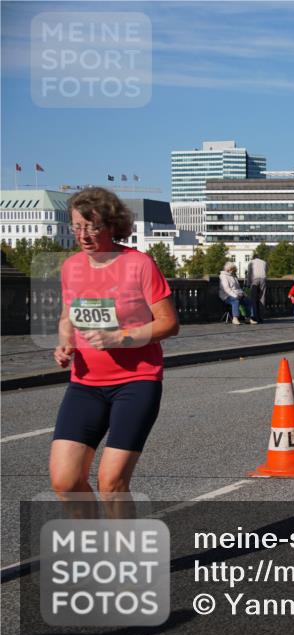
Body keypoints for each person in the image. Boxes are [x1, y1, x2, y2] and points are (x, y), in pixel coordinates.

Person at [51, 187, 180, 518]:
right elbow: (68, 317)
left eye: (92, 226)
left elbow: (168, 323)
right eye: (77, 226)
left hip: (136, 382)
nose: (84, 234)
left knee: (111, 482)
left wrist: (120, 337)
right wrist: (65, 343)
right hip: (85, 384)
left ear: (112, 225)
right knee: (65, 482)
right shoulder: (72, 267)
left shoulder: (139, 264)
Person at [246, 252, 268, 323]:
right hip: (263, 279)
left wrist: (248, 284)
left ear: (253, 257)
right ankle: (261, 316)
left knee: (254, 299)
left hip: (254, 280)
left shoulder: (251, 262)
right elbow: (266, 271)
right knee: (262, 298)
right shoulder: (264, 262)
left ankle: (255, 316)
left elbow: (249, 273)